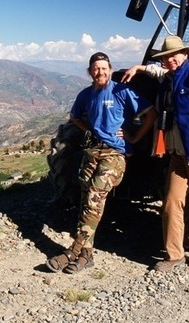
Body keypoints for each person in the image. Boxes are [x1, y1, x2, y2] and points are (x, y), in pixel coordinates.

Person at [122, 36, 189, 272]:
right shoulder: (169, 77)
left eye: (173, 56)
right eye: (165, 58)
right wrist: (139, 68)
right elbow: (158, 72)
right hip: (178, 155)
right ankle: (175, 255)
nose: (169, 60)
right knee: (171, 203)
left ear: (185, 54)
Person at [46, 52, 157, 274]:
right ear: (90, 71)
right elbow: (75, 116)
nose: (100, 72)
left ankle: (73, 251)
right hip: (92, 152)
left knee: (94, 198)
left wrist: (133, 138)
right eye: (96, 68)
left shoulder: (121, 90)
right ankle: (87, 256)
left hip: (115, 154)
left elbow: (151, 114)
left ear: (110, 69)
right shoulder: (86, 95)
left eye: (104, 68)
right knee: (87, 200)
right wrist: (88, 131)